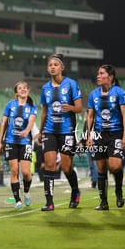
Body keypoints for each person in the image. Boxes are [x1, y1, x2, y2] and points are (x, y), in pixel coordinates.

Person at [38, 54, 82, 211]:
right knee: (49, 165)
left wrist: (70, 107)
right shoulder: (45, 88)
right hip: (49, 131)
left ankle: (75, 191)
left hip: (67, 131)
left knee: (66, 166)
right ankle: (49, 202)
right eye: (50, 64)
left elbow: (79, 108)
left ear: (62, 67)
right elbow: (44, 111)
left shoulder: (71, 84)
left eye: (55, 64)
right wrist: (40, 131)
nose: (52, 67)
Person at [86, 64, 125, 211]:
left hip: (115, 133)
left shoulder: (119, 92)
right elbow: (90, 116)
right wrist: (89, 136)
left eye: (101, 73)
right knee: (101, 169)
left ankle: (118, 191)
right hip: (99, 134)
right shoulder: (93, 94)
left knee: (115, 166)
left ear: (110, 77)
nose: (98, 76)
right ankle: (103, 202)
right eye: (97, 73)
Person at [0, 81, 37, 209]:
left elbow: (31, 121)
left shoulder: (31, 106)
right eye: (20, 88)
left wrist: (26, 131)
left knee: (26, 172)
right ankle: (17, 200)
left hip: (25, 142)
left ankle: (25, 191)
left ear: (28, 90)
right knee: (14, 170)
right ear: (16, 92)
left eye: (25, 88)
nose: (23, 89)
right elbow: (4, 123)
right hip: (10, 141)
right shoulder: (10, 105)